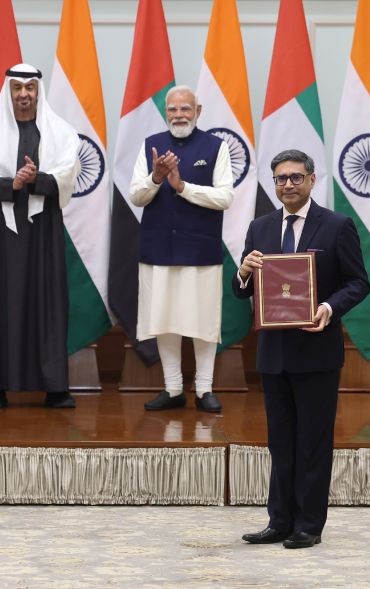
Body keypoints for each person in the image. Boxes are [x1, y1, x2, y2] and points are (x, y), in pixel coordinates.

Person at [234, 149, 370, 549]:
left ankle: (309, 524)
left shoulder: (337, 226)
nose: (288, 184)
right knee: (280, 441)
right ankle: (279, 521)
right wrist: (242, 273)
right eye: (281, 178)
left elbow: (358, 282)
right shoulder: (259, 227)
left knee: (312, 441)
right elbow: (241, 291)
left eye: (296, 177)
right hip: (273, 354)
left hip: (317, 352)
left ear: (312, 180)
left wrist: (329, 307)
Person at [0, 63, 80, 409]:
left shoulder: (61, 133)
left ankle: (55, 387)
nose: (24, 94)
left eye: (30, 87)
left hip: (43, 229)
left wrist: (36, 179)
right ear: (8, 91)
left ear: (38, 91)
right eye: (17, 88)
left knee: (47, 301)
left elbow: (67, 177)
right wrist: (13, 183)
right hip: (0, 232)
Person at [129, 85, 233, 413]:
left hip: (200, 250)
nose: (178, 115)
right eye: (172, 110)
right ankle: (173, 388)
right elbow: (136, 196)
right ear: (166, 113)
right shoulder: (151, 145)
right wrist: (156, 178)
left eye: (185, 109)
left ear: (197, 111)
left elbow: (225, 197)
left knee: (203, 320)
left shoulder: (216, 146)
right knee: (165, 319)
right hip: (158, 249)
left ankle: (204, 389)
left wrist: (183, 187)